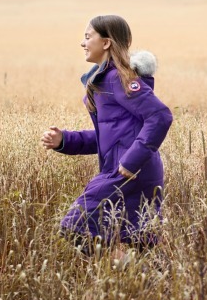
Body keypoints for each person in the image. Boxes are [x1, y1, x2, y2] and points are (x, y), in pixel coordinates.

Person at [41, 15, 173, 256]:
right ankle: (143, 284)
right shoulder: (105, 81)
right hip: (128, 171)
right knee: (141, 247)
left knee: (76, 227)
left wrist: (132, 161)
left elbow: (161, 116)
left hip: (128, 172)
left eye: (88, 36)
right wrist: (65, 141)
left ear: (106, 43)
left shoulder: (117, 78)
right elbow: (110, 136)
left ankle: (128, 275)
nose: (82, 42)